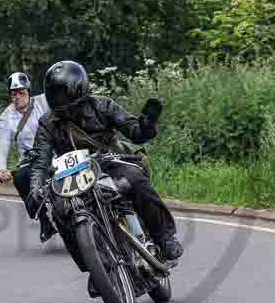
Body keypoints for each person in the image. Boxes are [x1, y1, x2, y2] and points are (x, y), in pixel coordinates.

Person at [26, 60, 183, 269]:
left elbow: (134, 131)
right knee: (60, 210)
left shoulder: (102, 105)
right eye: (54, 93)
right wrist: (35, 187)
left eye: (63, 93)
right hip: (73, 175)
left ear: (78, 88)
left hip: (110, 162)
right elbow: (40, 160)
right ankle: (93, 268)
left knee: (135, 179)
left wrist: (147, 124)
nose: (58, 99)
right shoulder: (47, 122)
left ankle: (165, 238)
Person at [0, 72, 54, 238]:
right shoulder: (6, 117)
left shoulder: (43, 102)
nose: (17, 97)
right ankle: (44, 221)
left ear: (29, 92)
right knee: (19, 177)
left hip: (55, 151)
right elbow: (1, 145)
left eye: (21, 93)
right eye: (13, 94)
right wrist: (1, 169)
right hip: (31, 160)